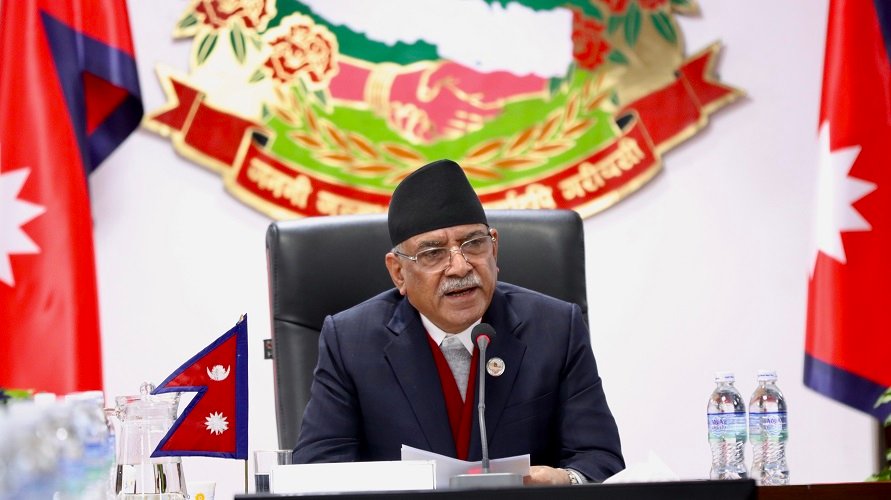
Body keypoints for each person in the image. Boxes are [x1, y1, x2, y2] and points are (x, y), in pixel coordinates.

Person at [293, 159, 624, 484]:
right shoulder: (350, 342)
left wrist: (566, 480)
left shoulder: (555, 328)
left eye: (474, 244)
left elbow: (601, 460)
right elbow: (317, 471)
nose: (460, 266)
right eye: (433, 253)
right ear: (398, 273)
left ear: (494, 249)